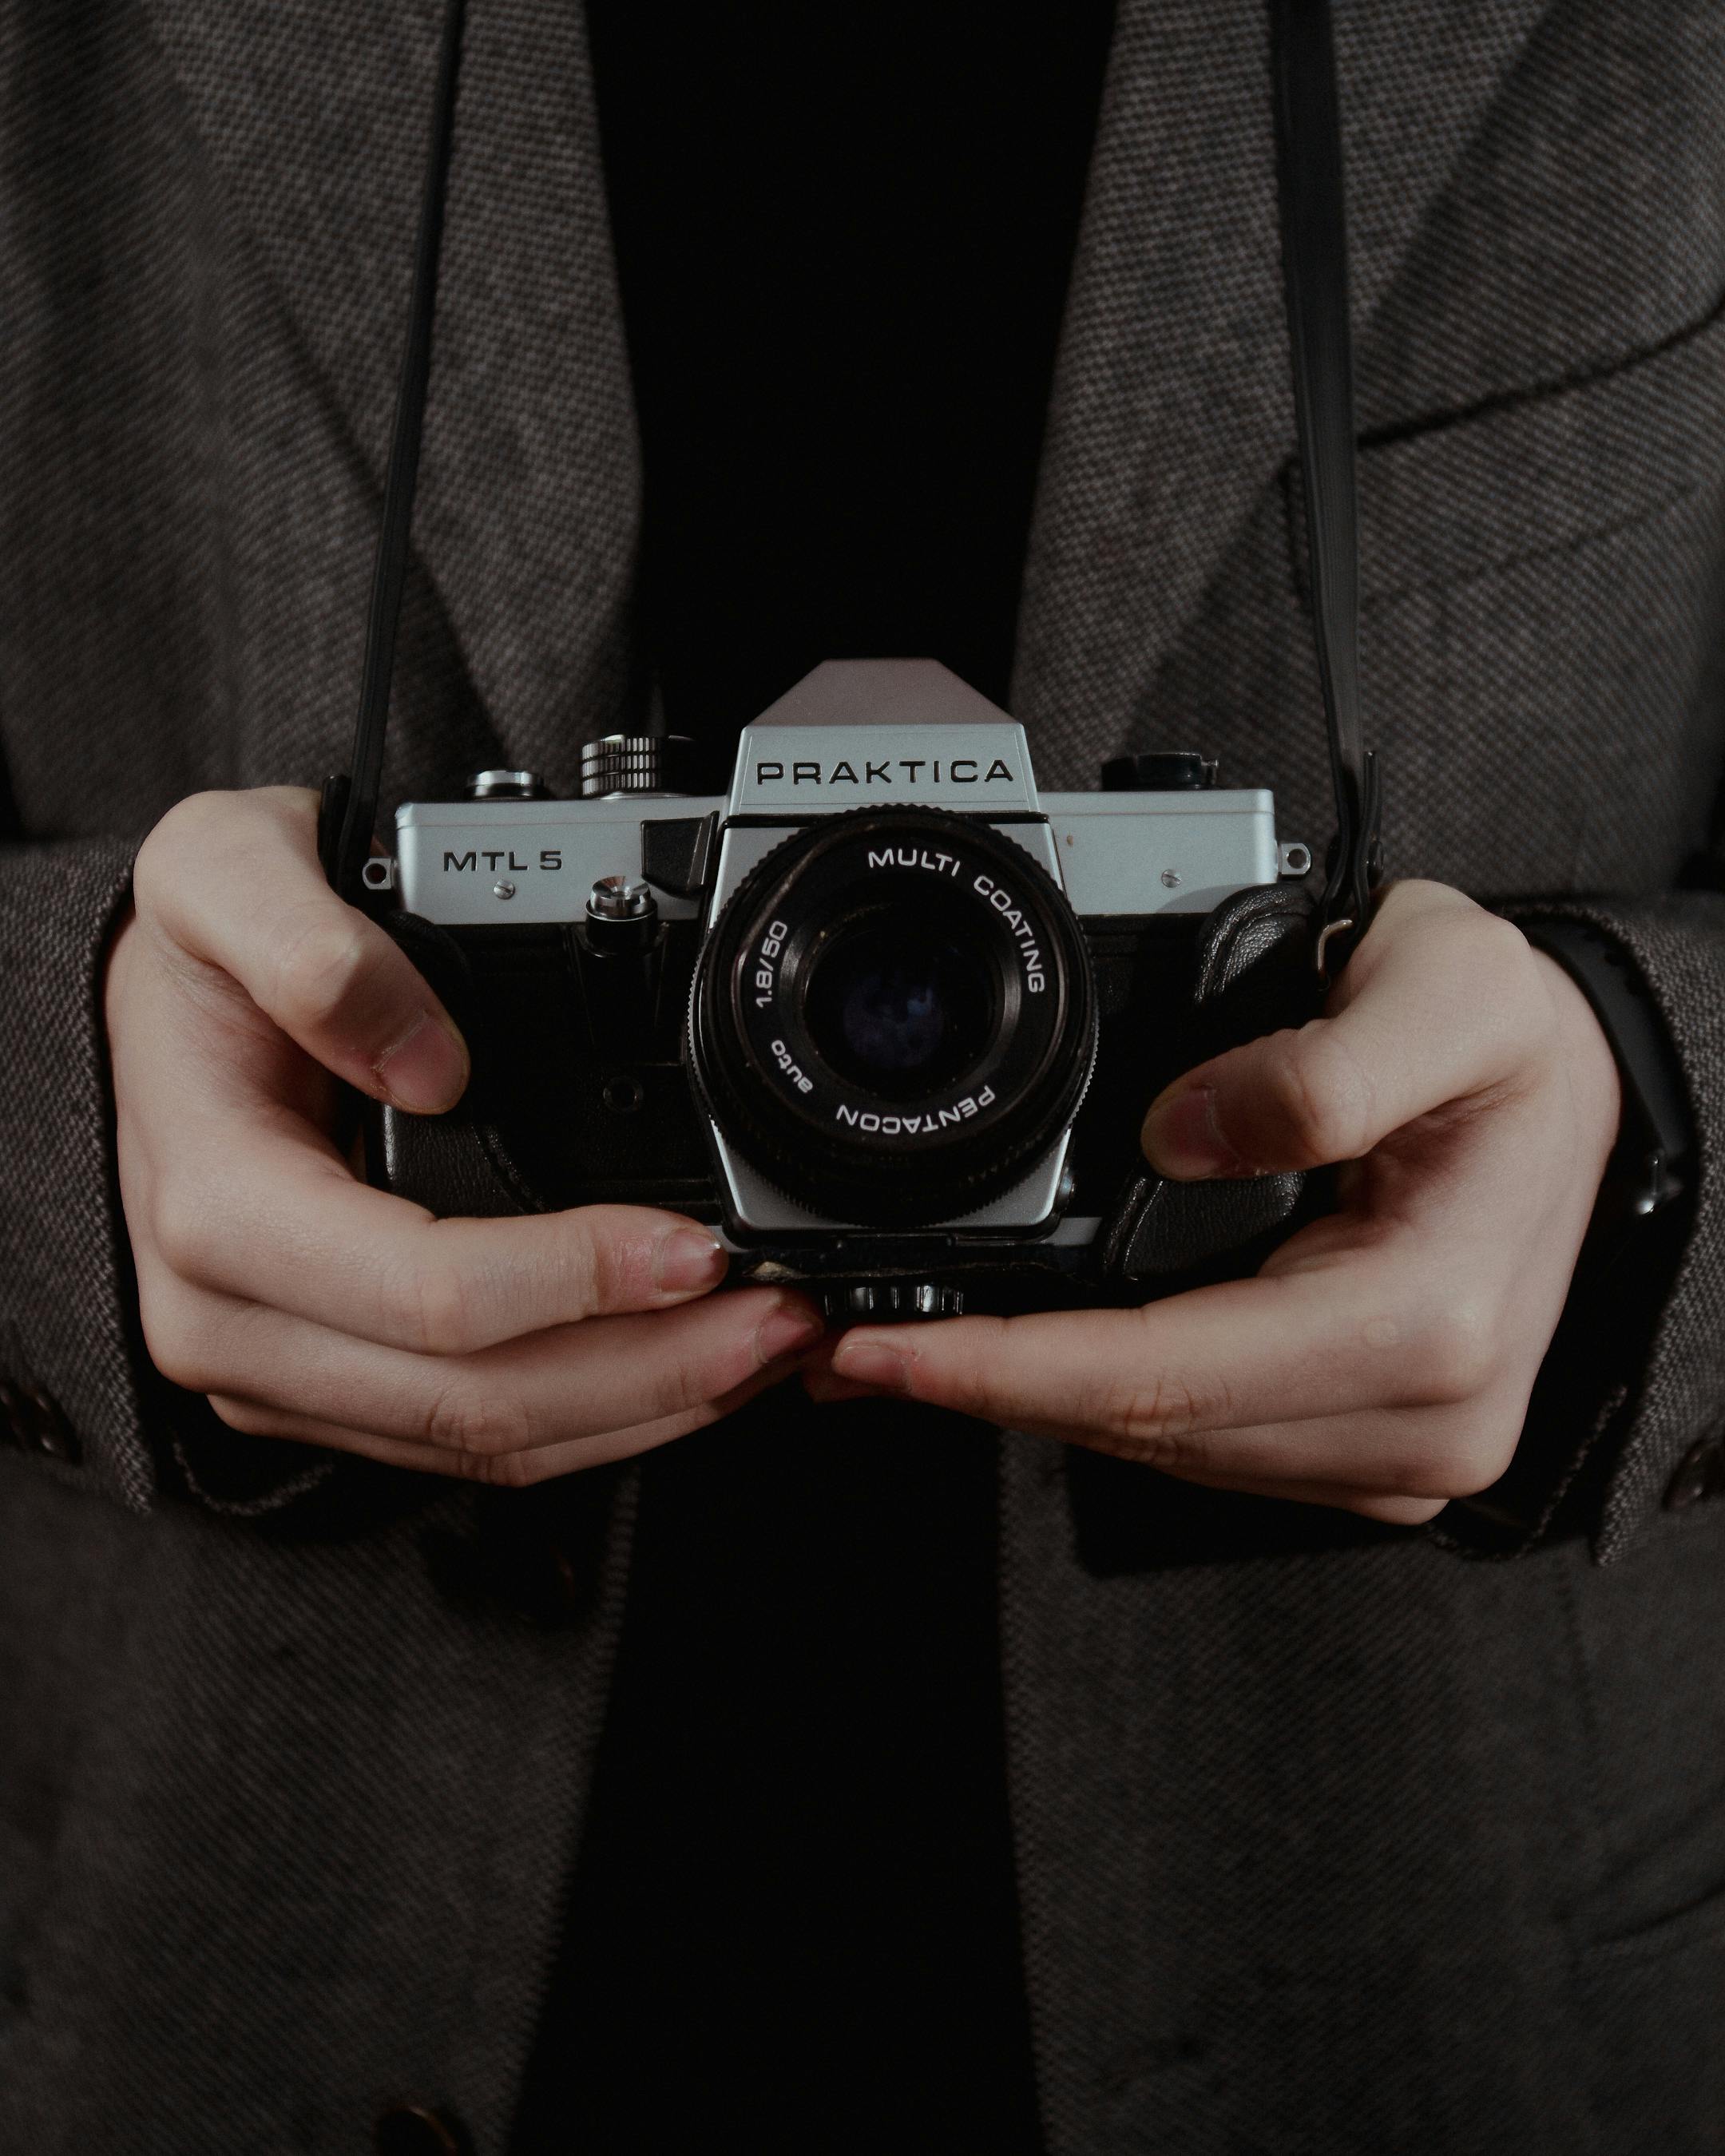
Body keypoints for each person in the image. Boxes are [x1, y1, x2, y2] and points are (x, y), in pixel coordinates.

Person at [2, 3, 1723, 2151]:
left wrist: (1655, 1136)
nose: (866, 1006)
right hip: (258, 1902)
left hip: (1410, 1900)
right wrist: (56, 1115)